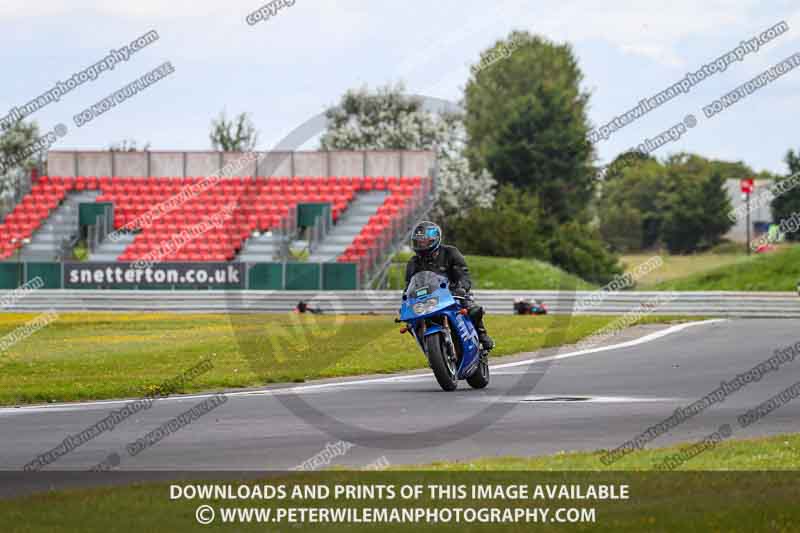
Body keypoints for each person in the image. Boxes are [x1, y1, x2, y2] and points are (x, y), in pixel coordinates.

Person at [404, 221, 494, 351]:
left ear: (434, 239)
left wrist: (462, 287)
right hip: (428, 299)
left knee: (472, 308)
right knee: (411, 323)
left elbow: (463, 273)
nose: (421, 244)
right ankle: (428, 349)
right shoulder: (413, 262)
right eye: (418, 242)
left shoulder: (450, 252)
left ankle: (482, 335)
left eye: (424, 241)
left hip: (453, 293)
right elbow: (409, 286)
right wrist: (406, 299)